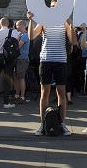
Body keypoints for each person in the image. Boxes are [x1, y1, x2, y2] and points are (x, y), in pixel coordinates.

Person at [28, 7, 76, 136]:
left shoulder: (65, 22)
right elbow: (31, 35)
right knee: (45, 92)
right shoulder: (44, 22)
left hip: (61, 59)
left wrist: (71, 26)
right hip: (46, 59)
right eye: (54, 6)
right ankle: (43, 123)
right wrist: (31, 21)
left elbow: (73, 41)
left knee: (61, 92)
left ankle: (62, 123)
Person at [0, 17, 21, 109]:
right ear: (8, 24)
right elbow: (18, 40)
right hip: (9, 58)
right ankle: (6, 102)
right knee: (7, 79)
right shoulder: (15, 33)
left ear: (0, 24)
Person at [13, 19, 30, 104]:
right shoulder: (21, 34)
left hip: (22, 58)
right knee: (16, 77)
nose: (16, 27)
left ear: (22, 25)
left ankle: (22, 96)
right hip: (19, 58)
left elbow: (18, 46)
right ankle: (17, 95)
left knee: (21, 77)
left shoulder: (25, 35)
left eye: (17, 25)